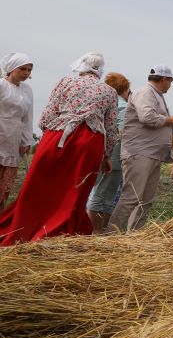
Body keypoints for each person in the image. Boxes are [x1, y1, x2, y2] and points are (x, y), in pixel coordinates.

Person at [0, 53, 118, 245]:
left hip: (58, 136)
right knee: (74, 189)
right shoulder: (109, 91)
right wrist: (107, 155)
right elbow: (111, 128)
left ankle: (26, 225)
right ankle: (63, 232)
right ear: (100, 70)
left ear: (82, 66)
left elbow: (46, 116)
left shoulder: (65, 82)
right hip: (90, 142)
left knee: (40, 185)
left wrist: (48, 133)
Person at [108, 65, 173, 232]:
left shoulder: (153, 94)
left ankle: (135, 236)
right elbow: (147, 117)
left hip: (151, 154)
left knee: (146, 199)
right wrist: (171, 120)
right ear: (164, 79)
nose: (170, 85)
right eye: (170, 81)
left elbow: (153, 119)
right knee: (131, 197)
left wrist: (170, 125)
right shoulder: (146, 93)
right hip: (139, 153)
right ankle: (111, 235)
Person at [85, 72, 131, 232]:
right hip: (116, 155)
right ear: (124, 89)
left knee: (97, 190)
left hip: (102, 152)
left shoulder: (105, 102)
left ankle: (96, 229)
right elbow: (125, 133)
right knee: (105, 194)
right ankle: (97, 230)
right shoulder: (124, 107)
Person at [0, 53, 34, 209]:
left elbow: (27, 117)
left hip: (14, 138)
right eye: (23, 69)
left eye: (29, 70)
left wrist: (26, 141)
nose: (27, 73)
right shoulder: (1, 85)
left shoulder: (27, 90)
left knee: (4, 188)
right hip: (1, 130)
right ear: (12, 68)